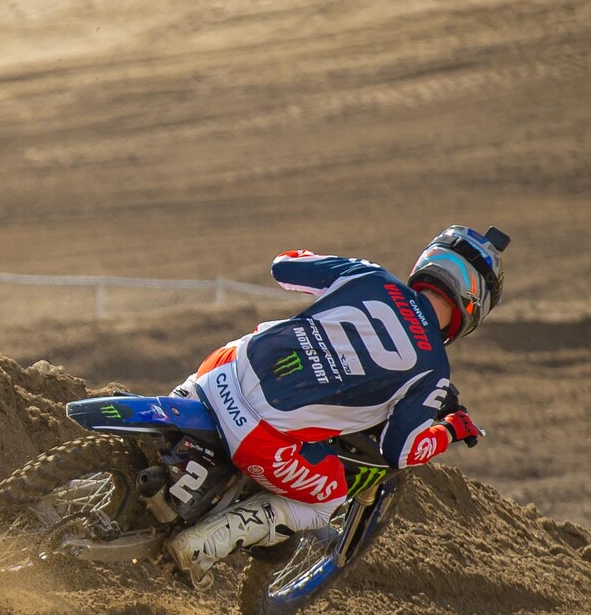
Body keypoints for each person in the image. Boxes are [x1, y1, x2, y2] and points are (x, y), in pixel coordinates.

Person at [166, 225, 507, 579]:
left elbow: (283, 266)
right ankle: (203, 544)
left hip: (218, 370)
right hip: (256, 436)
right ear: (474, 302)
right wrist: (449, 431)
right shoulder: (434, 369)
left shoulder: (371, 276)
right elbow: (400, 451)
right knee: (328, 498)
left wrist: (331, 265)